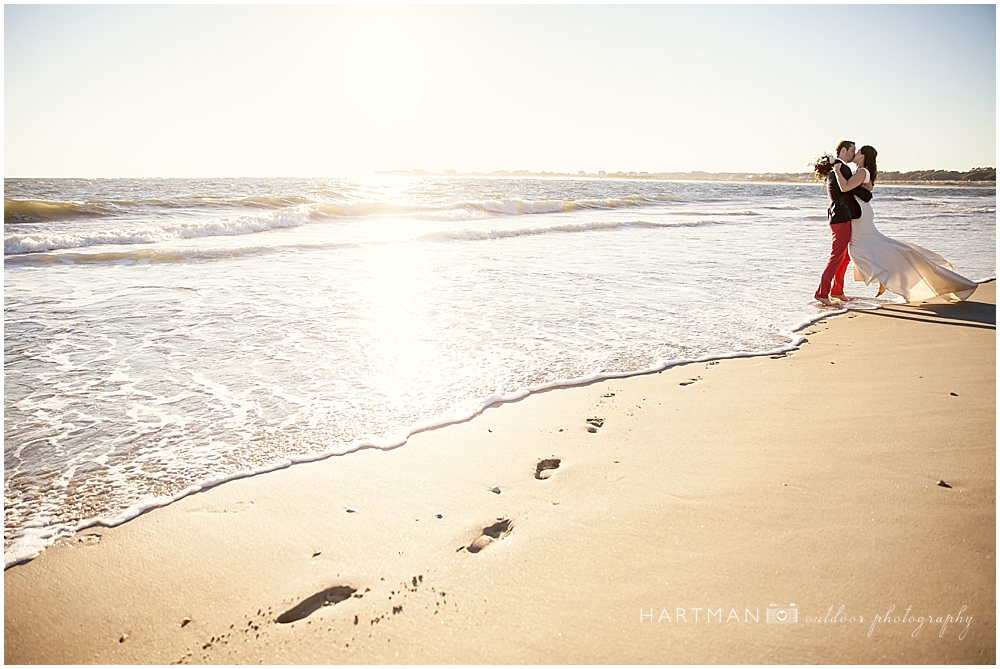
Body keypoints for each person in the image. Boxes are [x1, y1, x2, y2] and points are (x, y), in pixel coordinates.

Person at [833, 145, 978, 303]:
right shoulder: (863, 172)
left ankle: (885, 277)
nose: (855, 153)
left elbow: (845, 187)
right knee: (875, 245)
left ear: (864, 156)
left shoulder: (862, 172)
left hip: (860, 215)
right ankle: (884, 277)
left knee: (858, 250)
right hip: (862, 212)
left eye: (858, 151)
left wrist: (836, 170)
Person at [815, 140, 871, 305]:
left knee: (844, 256)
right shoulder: (842, 169)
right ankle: (822, 292)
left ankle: (837, 290)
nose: (853, 154)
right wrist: (868, 191)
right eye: (852, 150)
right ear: (844, 150)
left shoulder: (840, 168)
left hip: (842, 216)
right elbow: (852, 190)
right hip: (840, 216)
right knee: (836, 255)